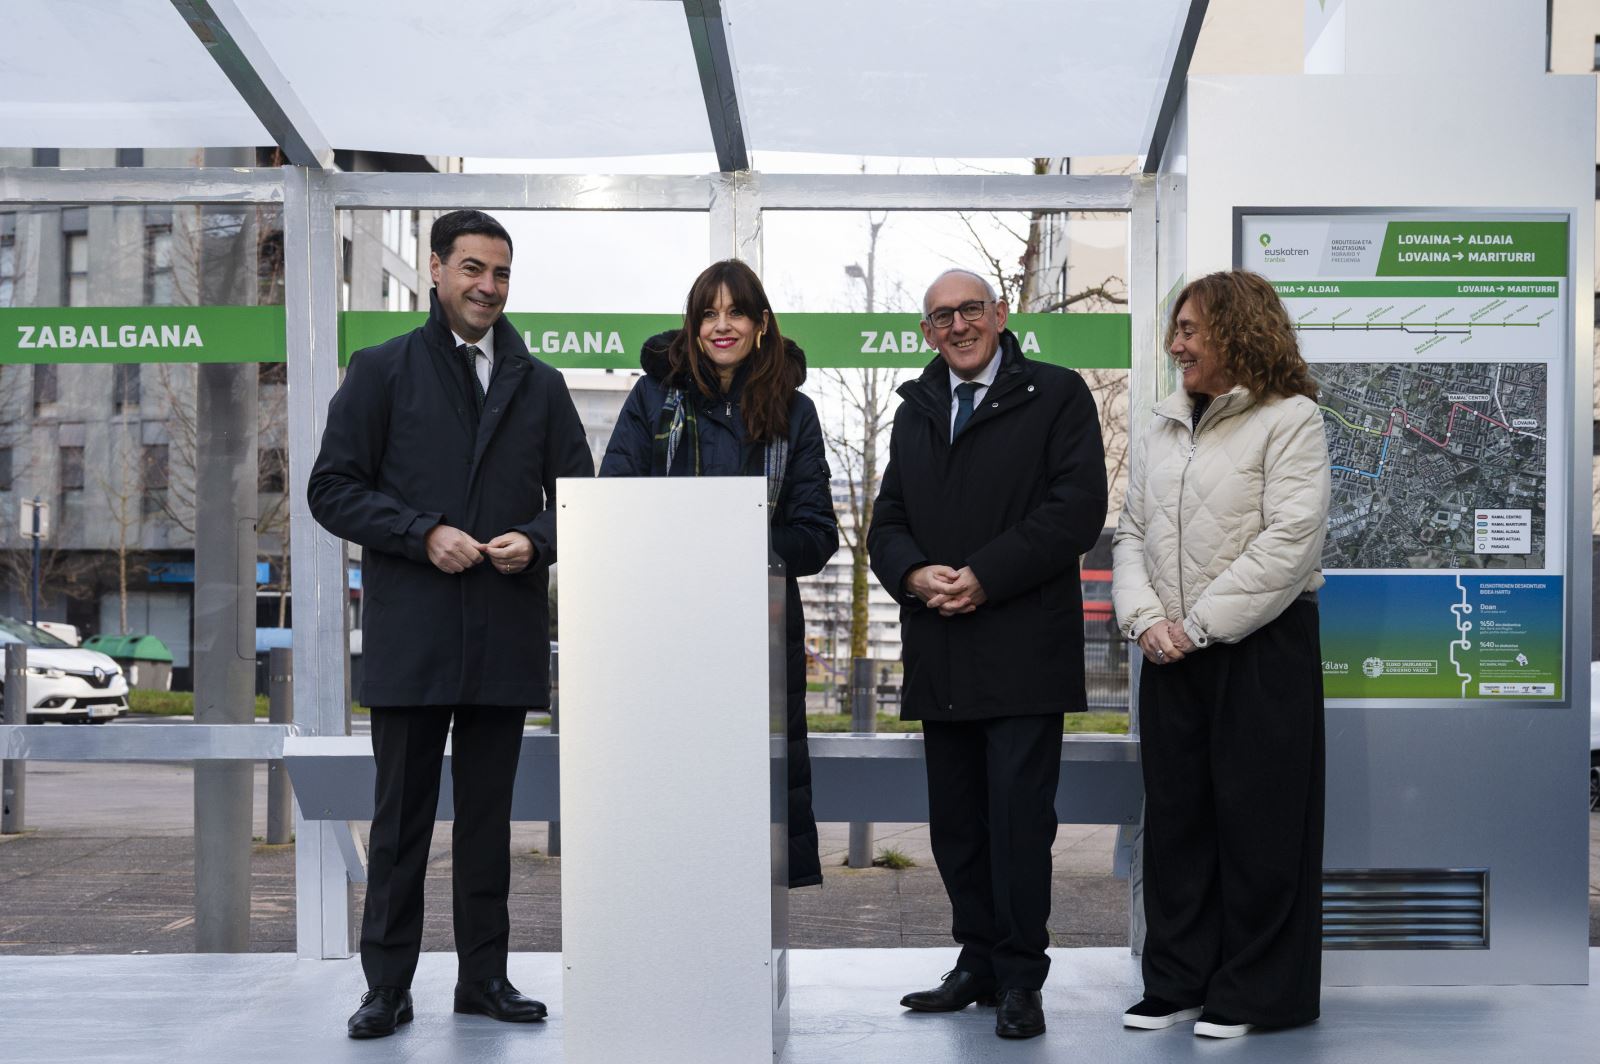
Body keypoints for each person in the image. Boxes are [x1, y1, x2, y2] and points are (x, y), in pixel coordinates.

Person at [308, 210, 594, 1039]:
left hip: (503, 630)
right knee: (400, 823)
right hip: (414, 633)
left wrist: (535, 540)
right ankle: (386, 987)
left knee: (487, 823)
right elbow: (331, 489)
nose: (488, 287)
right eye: (473, 268)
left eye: (501, 273)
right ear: (435, 270)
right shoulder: (381, 370)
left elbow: (580, 501)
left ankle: (484, 979)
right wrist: (421, 531)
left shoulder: (541, 386)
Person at [867, 268, 1107, 1040]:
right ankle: (976, 961)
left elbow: (1077, 510)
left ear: (1001, 314)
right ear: (926, 331)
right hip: (940, 648)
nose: (958, 326)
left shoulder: (1057, 394)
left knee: (1018, 825)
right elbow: (887, 522)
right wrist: (913, 573)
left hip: (1023, 652)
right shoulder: (915, 408)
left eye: (971, 310)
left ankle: (1021, 976)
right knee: (957, 826)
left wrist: (985, 575)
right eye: (942, 316)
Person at [1112, 269, 1329, 1040]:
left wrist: (1197, 626)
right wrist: (1145, 621)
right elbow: (1131, 532)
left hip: (1259, 648)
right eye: (1176, 330)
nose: (1176, 345)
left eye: (1189, 330)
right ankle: (1176, 982)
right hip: (1169, 650)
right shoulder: (1163, 424)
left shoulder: (1291, 418)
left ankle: (1257, 992)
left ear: (1238, 332)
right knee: (1176, 825)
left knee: (1261, 825)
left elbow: (1290, 541)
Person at [598, 259, 837, 888]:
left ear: (762, 324)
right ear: (693, 324)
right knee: (668, 811)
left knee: (753, 824)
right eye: (708, 313)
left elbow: (817, 536)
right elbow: (615, 502)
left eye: (736, 313)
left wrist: (728, 537)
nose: (721, 326)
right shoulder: (652, 399)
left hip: (760, 637)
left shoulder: (796, 412)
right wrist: (699, 539)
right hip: (664, 633)